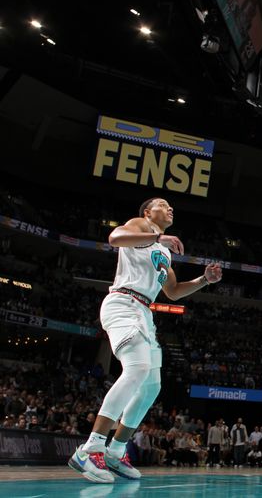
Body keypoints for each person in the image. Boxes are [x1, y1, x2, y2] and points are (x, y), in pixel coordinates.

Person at [68, 198, 222, 483]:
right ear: (149, 212)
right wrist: (157, 234)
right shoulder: (142, 226)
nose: (170, 208)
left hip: (144, 312)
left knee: (152, 386)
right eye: (164, 205)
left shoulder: (163, 250)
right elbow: (114, 238)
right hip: (123, 303)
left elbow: (173, 291)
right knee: (137, 369)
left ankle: (115, 450)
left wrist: (204, 280)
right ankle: (90, 449)